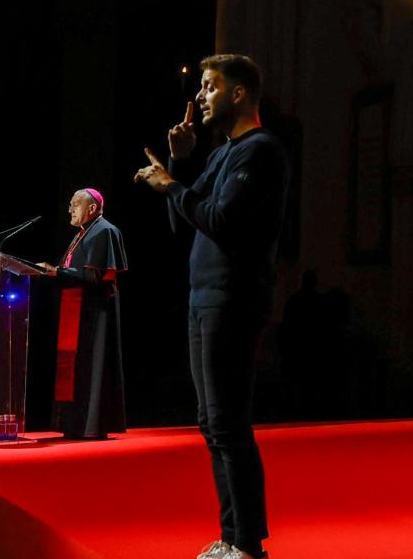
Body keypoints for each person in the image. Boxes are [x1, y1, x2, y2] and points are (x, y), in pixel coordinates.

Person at [135, 54, 289, 559]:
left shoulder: (261, 151)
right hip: (204, 297)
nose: (200, 96)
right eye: (201, 87)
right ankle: (231, 537)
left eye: (209, 86)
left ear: (239, 93)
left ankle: (247, 544)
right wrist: (180, 165)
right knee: (212, 421)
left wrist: (174, 185)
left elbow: (221, 221)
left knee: (228, 422)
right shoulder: (223, 153)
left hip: (234, 298)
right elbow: (187, 220)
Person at [35, 188, 127, 438]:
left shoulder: (104, 230)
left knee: (91, 366)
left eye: (76, 204)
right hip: (77, 310)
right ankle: (73, 424)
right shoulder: (83, 233)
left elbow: (94, 276)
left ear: (92, 208)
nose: (70, 209)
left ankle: (90, 425)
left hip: (95, 314)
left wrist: (56, 272)